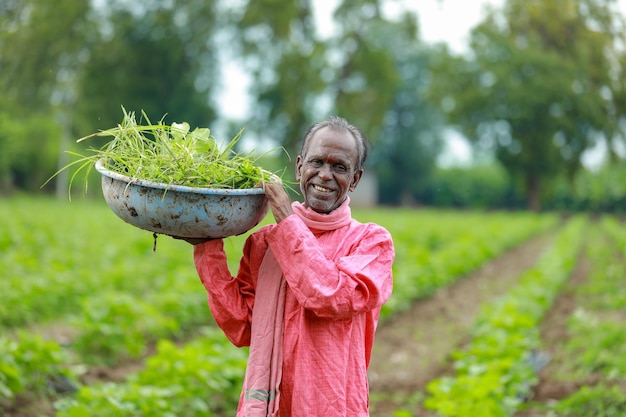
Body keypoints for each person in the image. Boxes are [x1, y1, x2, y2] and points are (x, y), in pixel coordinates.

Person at [183, 116, 394, 416]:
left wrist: (286, 221)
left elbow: (330, 295)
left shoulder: (371, 242)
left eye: (339, 167)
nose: (324, 175)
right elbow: (243, 326)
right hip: (269, 407)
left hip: (331, 407)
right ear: (299, 167)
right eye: (317, 162)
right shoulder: (265, 243)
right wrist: (206, 246)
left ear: (355, 179)